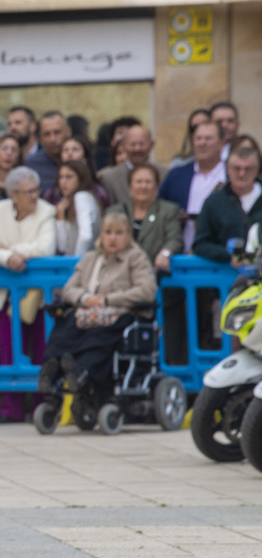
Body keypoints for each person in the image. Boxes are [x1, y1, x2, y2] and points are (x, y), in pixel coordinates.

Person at [38, 212, 157, 396]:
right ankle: (51, 369)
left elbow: (146, 290)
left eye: (119, 233)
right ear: (101, 235)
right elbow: (68, 289)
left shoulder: (136, 258)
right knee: (65, 326)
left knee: (99, 334)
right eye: (108, 232)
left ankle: (81, 372)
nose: (113, 238)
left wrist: (108, 300)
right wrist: (85, 298)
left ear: (128, 235)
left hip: (120, 313)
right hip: (86, 311)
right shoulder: (90, 258)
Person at [0, 166, 57, 423]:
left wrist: (8, 249)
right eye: (28, 192)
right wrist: (9, 258)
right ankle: (10, 408)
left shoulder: (47, 211)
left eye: (36, 190)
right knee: (8, 351)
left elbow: (46, 248)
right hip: (7, 296)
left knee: (40, 352)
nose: (34, 196)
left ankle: (39, 407)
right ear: (13, 194)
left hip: (39, 297)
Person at [107, 164, 185, 366]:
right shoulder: (116, 211)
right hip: (122, 287)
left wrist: (165, 253)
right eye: (138, 181)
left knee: (166, 338)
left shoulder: (168, 210)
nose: (143, 186)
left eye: (148, 182)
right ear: (130, 185)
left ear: (157, 185)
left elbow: (175, 239)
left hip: (158, 288)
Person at [159, 121, 225, 251]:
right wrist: (174, 216)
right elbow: (159, 208)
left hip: (222, 256)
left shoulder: (232, 175)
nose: (202, 143)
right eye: (198, 138)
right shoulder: (176, 175)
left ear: (222, 143)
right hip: (181, 256)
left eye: (208, 138)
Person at [193, 146, 262, 262]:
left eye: (247, 169)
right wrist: (229, 256)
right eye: (237, 168)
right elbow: (200, 244)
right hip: (224, 275)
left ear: (257, 170)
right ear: (228, 169)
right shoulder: (214, 202)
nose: (241, 173)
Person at [97, 125, 167, 209]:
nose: (137, 149)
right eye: (132, 144)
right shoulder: (108, 178)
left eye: (142, 144)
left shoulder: (165, 174)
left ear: (152, 145)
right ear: (124, 145)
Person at [54, 160, 101, 256]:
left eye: (69, 177)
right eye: (61, 177)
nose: (63, 182)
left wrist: (77, 262)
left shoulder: (82, 197)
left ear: (81, 179)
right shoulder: (68, 202)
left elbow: (86, 236)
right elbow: (63, 247)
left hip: (84, 265)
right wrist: (60, 216)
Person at [24, 110, 70, 192]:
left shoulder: (80, 158)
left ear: (68, 132)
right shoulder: (31, 165)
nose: (52, 139)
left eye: (57, 132)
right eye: (47, 134)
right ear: (40, 138)